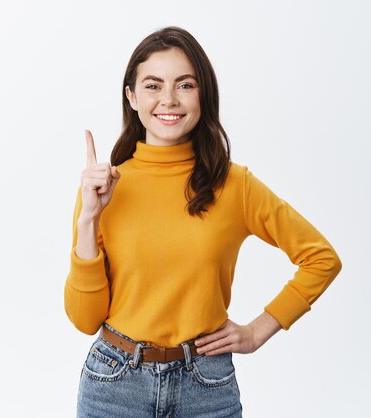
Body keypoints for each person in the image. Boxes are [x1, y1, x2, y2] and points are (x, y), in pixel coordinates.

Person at [64, 26, 342, 418]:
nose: (169, 100)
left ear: (203, 94)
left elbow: (321, 258)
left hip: (206, 387)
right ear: (131, 96)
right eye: (153, 86)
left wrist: (259, 329)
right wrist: (88, 221)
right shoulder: (105, 186)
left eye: (185, 85)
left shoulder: (235, 185)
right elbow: (84, 319)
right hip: (114, 385)